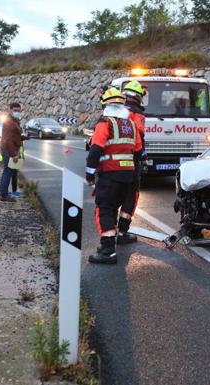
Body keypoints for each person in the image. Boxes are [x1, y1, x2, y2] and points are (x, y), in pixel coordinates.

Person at [85, 88, 143, 264]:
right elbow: (138, 152)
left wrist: (89, 174)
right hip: (128, 176)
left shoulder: (105, 124)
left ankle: (108, 251)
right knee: (116, 207)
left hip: (109, 174)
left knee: (105, 209)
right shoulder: (132, 125)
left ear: (106, 105)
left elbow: (95, 150)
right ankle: (113, 241)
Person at [117, 80, 147, 244]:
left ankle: (108, 231)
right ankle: (122, 231)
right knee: (131, 195)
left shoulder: (115, 111)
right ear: (138, 97)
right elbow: (139, 135)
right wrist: (142, 154)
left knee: (112, 197)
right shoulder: (137, 113)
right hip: (132, 161)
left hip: (112, 163)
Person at [0, 103, 23, 202]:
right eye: (15, 110)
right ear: (10, 110)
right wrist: (14, 155)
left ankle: (8, 192)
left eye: (18, 110)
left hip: (12, 149)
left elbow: (14, 136)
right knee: (7, 172)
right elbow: (8, 140)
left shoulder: (14, 120)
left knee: (11, 172)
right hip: (9, 151)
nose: (17, 112)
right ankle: (4, 195)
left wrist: (23, 138)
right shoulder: (9, 121)